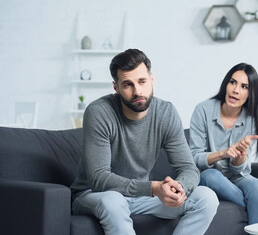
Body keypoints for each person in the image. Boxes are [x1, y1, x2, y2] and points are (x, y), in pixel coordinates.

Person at [70, 48, 218, 235]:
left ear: (151, 79)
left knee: (206, 197)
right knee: (114, 201)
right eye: (127, 85)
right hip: (95, 194)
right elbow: (99, 178)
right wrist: (153, 188)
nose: (137, 91)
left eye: (142, 81)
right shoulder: (99, 112)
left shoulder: (166, 113)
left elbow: (188, 168)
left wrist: (178, 188)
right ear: (116, 88)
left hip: (140, 197)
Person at [189, 63, 258, 225]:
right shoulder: (203, 110)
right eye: (233, 82)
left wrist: (240, 156)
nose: (236, 90)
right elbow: (193, 157)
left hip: (234, 178)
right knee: (212, 176)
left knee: (256, 185)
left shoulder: (251, 119)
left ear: (251, 93)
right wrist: (223, 153)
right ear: (226, 84)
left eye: (244, 86)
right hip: (206, 175)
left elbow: (240, 170)